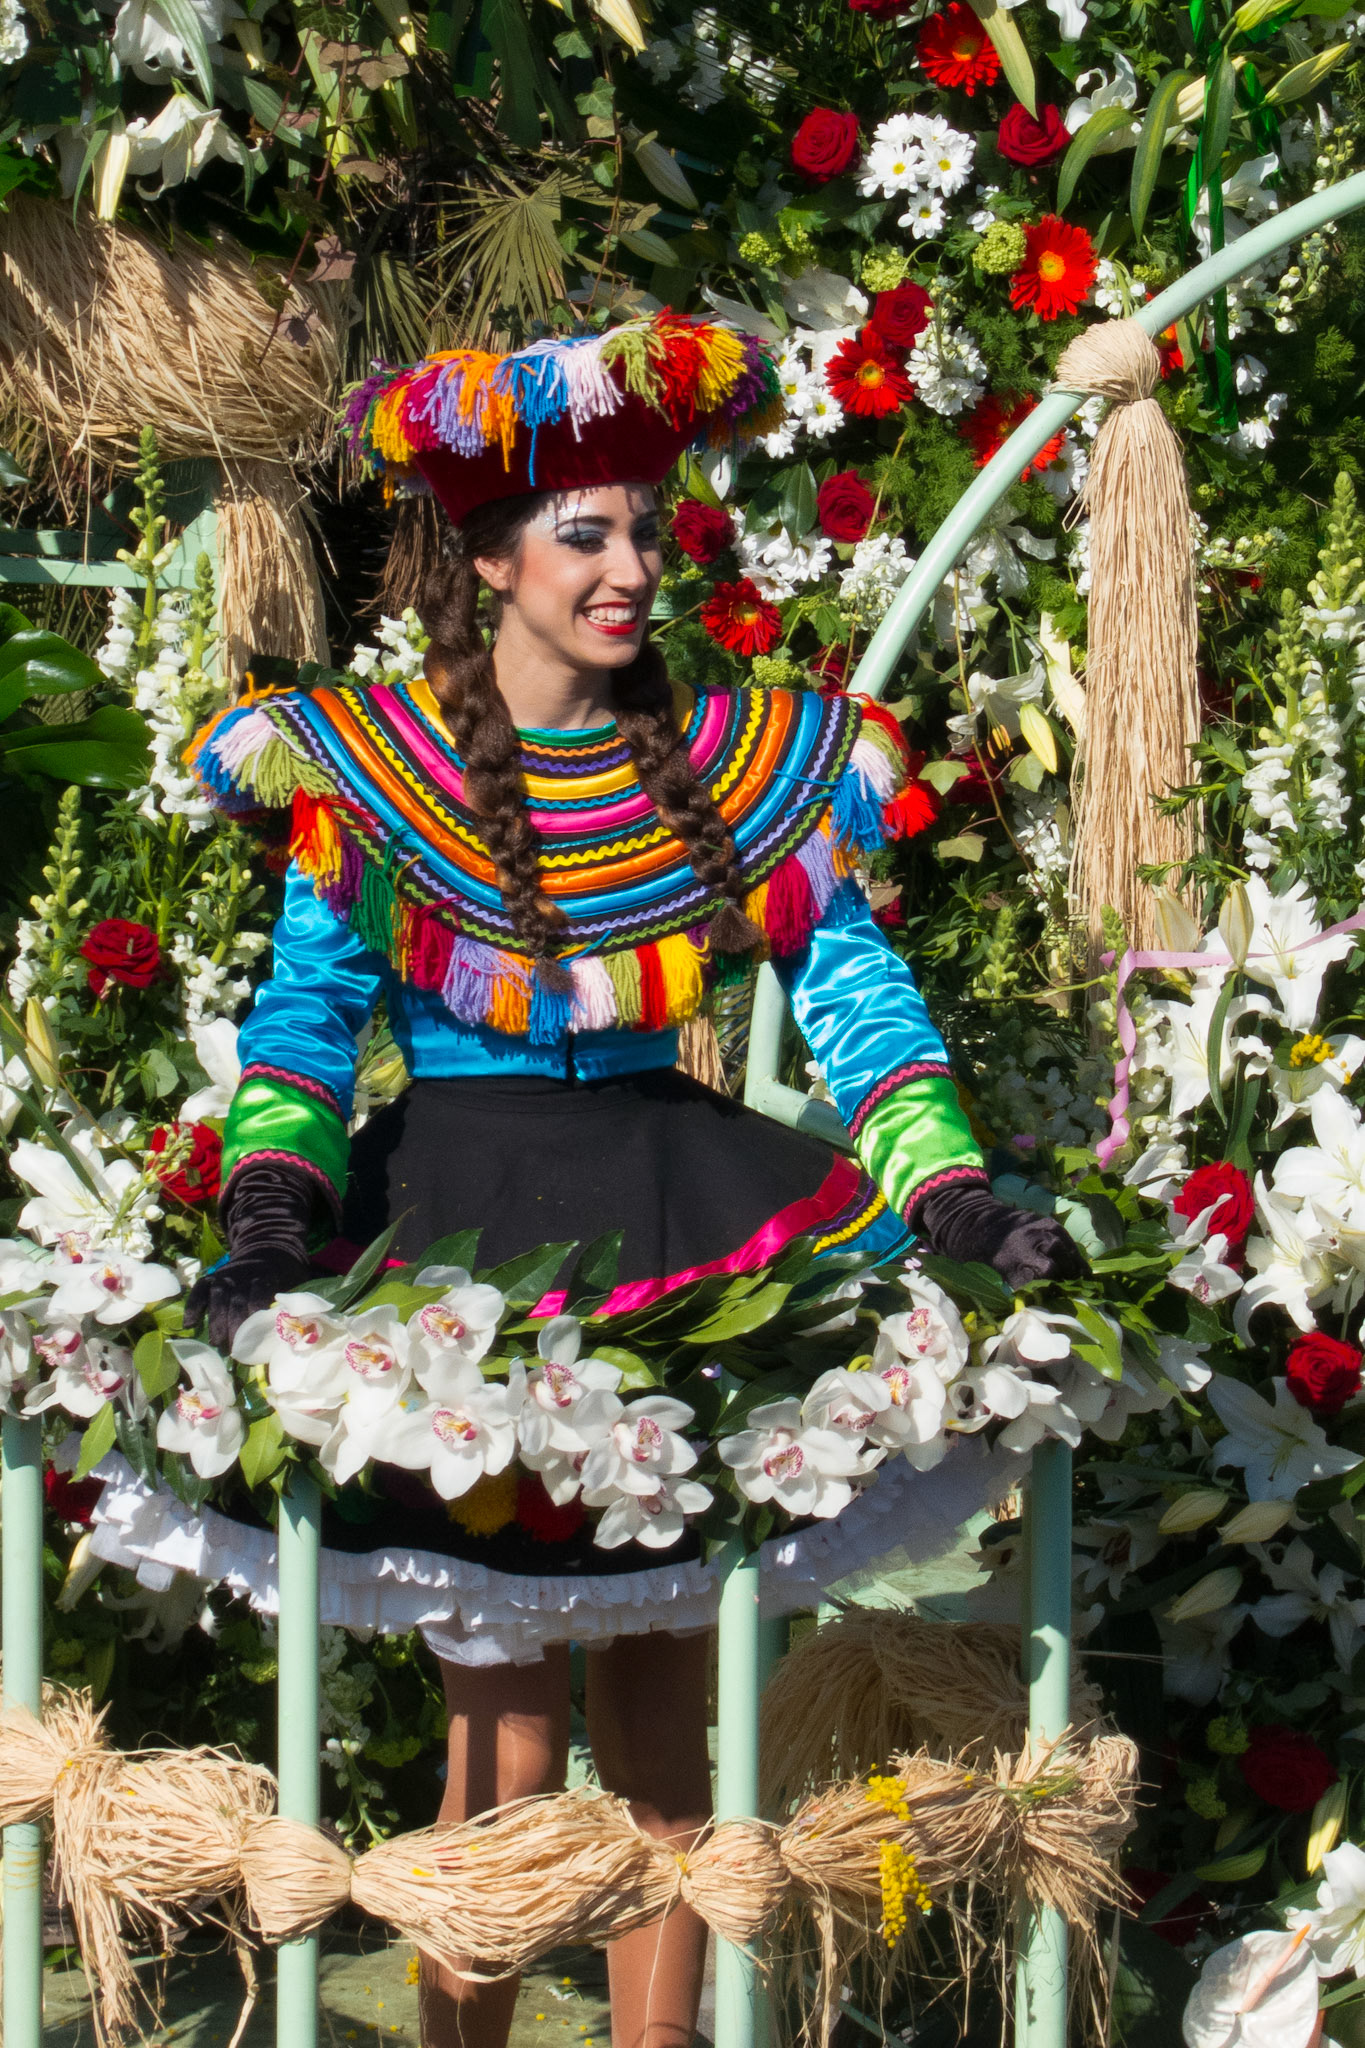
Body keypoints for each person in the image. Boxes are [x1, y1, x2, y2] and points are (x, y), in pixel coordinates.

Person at [122, 313, 1082, 2048]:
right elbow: (308, 1021)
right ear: (491, 557)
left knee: (662, 1739)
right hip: (453, 1260)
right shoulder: (366, 757)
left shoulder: (751, 756)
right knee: (492, 1753)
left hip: (684, 1235)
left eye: (646, 532)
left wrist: (945, 1196)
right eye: (589, 534)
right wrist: (270, 1212)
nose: (633, 566)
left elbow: (861, 1009)